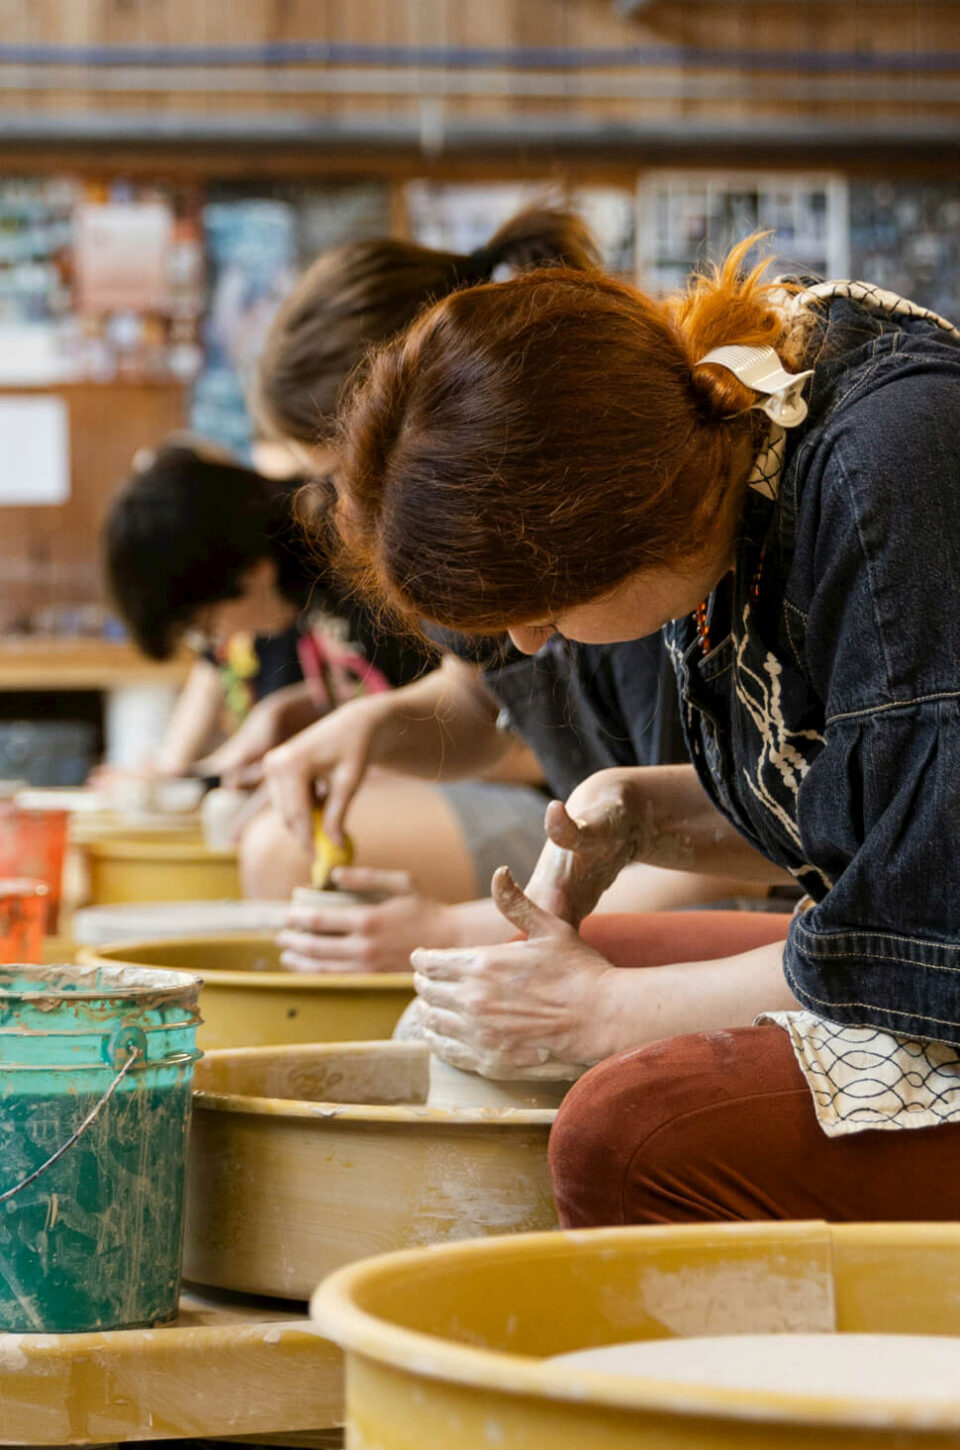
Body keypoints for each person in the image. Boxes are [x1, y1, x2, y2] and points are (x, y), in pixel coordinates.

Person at [294, 232, 960, 1229]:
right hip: (913, 952)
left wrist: (596, 1011)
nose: (530, 641)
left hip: (934, 977)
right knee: (457, 1014)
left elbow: (922, 931)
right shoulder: (725, 467)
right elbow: (882, 819)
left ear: (612, 523)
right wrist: (645, 811)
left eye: (539, 610)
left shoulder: (886, 469)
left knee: (622, 1135)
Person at [254, 206, 772, 970]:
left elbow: (737, 848)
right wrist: (371, 726)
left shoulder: (634, 556)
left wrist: (454, 930)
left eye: (341, 476)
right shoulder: (480, 536)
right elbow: (486, 697)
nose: (345, 509)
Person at [101, 439, 531, 902]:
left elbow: (513, 731)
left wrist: (368, 756)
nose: (219, 643)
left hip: (536, 798)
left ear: (254, 572)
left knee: (278, 849)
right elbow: (403, 692)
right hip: (462, 785)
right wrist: (293, 716)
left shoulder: (365, 558)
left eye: (206, 627)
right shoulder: (305, 589)